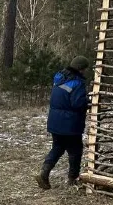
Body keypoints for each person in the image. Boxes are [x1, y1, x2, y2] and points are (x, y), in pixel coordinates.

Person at [36, 56, 90, 190]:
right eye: (85, 69)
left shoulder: (59, 78)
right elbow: (77, 104)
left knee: (58, 147)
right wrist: (88, 100)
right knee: (75, 150)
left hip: (55, 121)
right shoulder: (77, 83)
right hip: (70, 123)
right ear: (81, 69)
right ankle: (73, 179)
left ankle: (44, 172)